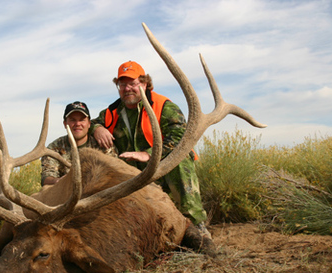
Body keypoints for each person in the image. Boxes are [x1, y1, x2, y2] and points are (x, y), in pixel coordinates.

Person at [90, 61, 211, 237]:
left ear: (145, 83)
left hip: (163, 168)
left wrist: (148, 154)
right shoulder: (112, 111)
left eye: (133, 83)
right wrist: (97, 129)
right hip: (134, 173)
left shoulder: (164, 106)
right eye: (122, 84)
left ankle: (197, 225)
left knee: (180, 159)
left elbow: (181, 138)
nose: (127, 88)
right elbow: (92, 123)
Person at [41, 101, 117, 186]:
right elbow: (47, 177)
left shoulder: (103, 144)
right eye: (72, 120)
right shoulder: (54, 148)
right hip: (65, 193)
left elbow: (115, 173)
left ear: (89, 124)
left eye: (82, 120)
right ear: (65, 124)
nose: (77, 124)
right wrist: (58, 181)